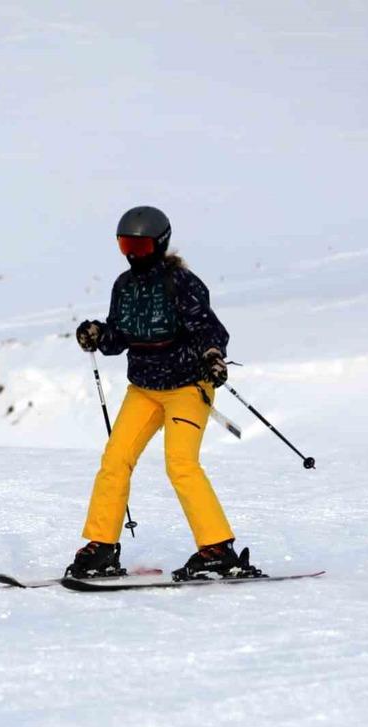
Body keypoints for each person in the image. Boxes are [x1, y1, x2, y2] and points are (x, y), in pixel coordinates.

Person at [67, 205, 260, 581]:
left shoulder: (181, 282)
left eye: (138, 246)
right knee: (115, 460)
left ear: (159, 244)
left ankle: (217, 549)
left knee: (181, 464)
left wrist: (212, 356)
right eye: (125, 245)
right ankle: (101, 547)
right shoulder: (124, 286)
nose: (131, 254)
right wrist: (98, 335)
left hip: (188, 386)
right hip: (143, 389)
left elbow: (208, 328)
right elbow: (118, 337)